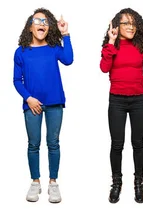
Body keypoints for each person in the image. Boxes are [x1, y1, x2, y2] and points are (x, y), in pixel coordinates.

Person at [100, 8, 143, 203]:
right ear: (117, 26)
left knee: (138, 143)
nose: (130, 27)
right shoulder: (111, 46)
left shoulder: (142, 46)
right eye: (126, 23)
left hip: (138, 100)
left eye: (133, 23)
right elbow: (104, 68)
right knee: (117, 144)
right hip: (117, 100)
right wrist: (112, 42)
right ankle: (116, 183)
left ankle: (139, 183)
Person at [14, 7, 72, 204]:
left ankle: (53, 183)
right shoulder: (21, 52)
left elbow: (69, 59)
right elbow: (16, 80)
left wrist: (66, 35)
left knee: (53, 143)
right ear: (30, 27)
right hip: (32, 106)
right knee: (33, 144)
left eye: (46, 22)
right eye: (38, 21)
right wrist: (28, 98)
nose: (42, 24)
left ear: (50, 28)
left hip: (55, 103)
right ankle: (35, 182)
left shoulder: (55, 47)